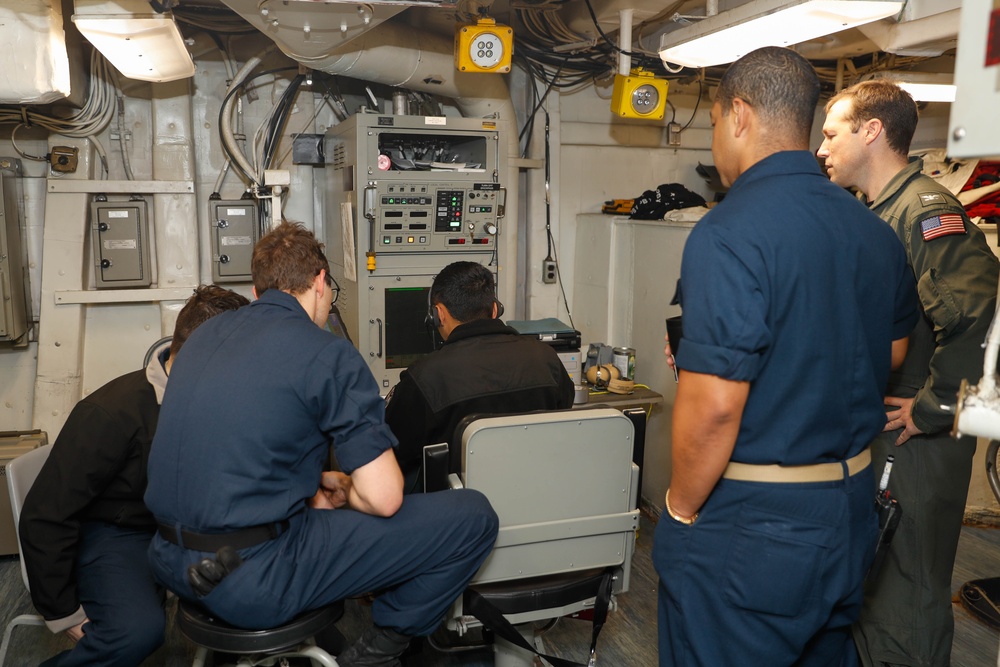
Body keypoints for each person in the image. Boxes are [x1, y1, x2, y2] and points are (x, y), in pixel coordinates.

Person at [656, 47, 919, 667]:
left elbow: (717, 407)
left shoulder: (728, 232)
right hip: (848, 510)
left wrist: (679, 508)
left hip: (752, 528)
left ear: (738, 115)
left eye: (714, 122)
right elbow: (891, 351)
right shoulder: (873, 232)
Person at [144, 221, 499, 667]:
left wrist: (318, 484)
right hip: (253, 579)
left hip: (169, 563)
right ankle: (379, 651)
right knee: (473, 516)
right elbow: (385, 499)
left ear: (257, 290)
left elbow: (242, 444)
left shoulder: (201, 340)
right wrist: (351, 491)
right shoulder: (326, 352)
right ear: (319, 282)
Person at [818, 80, 1000, 667]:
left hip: (916, 437)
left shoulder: (924, 212)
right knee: (876, 585)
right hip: (886, 427)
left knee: (907, 592)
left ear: (871, 131)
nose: (821, 149)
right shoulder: (878, 211)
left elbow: (982, 314)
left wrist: (932, 407)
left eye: (831, 133)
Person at [18, 285, 249, 667]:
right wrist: (64, 612)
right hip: (115, 532)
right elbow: (46, 513)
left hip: (184, 525)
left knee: (251, 596)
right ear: (207, 352)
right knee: (136, 631)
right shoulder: (110, 413)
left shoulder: (217, 399)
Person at [384, 261, 575, 491]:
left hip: (459, 512)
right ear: (495, 309)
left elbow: (392, 448)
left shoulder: (425, 376)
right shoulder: (546, 359)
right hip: (535, 495)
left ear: (439, 314)